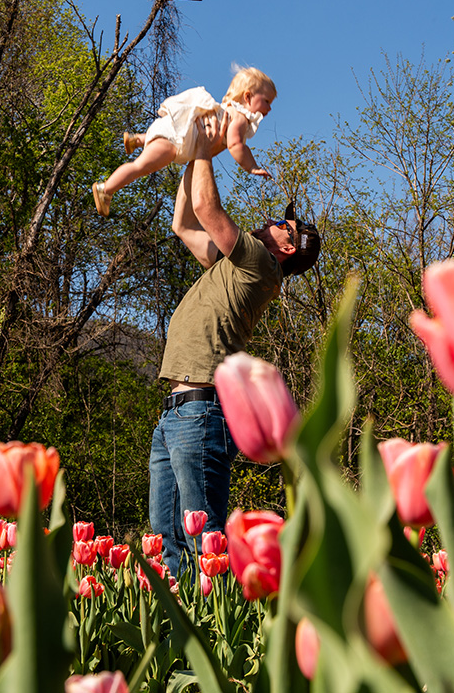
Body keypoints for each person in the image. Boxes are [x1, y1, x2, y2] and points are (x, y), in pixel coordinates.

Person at [150, 114, 321, 576]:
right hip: (176, 413)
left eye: (283, 226)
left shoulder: (259, 265)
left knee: (204, 547)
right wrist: (189, 152)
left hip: (201, 414)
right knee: (169, 546)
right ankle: (177, 642)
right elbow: (184, 223)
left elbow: (207, 208)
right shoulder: (235, 265)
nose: (272, 222)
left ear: (288, 249)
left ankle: (209, 635)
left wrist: (205, 147)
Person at [92, 66, 276, 217]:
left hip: (173, 130)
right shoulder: (240, 117)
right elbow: (235, 145)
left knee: (155, 152)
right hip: (175, 138)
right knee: (141, 166)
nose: (269, 108)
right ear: (248, 97)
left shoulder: (227, 110)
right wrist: (251, 166)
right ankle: (106, 189)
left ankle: (138, 139)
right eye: (266, 101)